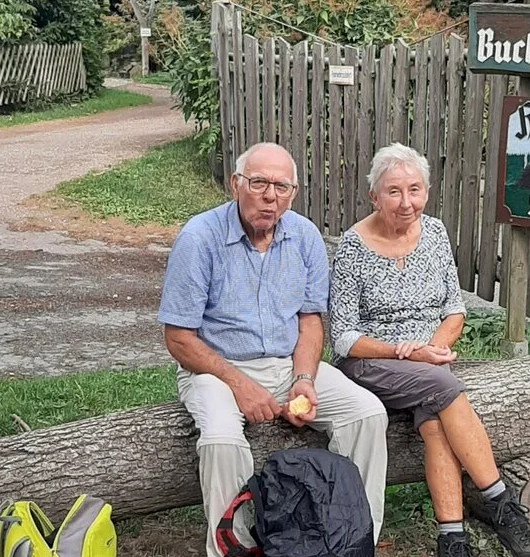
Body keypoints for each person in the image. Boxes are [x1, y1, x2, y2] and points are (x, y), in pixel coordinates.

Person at [158, 142, 389, 557]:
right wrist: (241, 386)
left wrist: (303, 379)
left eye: (281, 186)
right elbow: (178, 338)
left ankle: (352, 541)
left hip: (287, 364)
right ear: (235, 184)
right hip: (215, 369)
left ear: (294, 192)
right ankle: (235, 547)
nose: (270, 196)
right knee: (221, 441)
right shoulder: (199, 238)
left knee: (367, 413)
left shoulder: (304, 236)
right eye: (259, 182)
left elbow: (310, 321)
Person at [328, 143, 530, 557]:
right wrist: (407, 353)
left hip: (427, 364)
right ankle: (503, 507)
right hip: (370, 361)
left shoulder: (433, 232)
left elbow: (454, 309)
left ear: (426, 192)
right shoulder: (353, 247)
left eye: (415, 189)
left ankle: (452, 540)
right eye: (393, 191)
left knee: (434, 426)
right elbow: (342, 337)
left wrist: (434, 347)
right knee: (443, 387)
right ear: (373, 196)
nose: (406, 202)